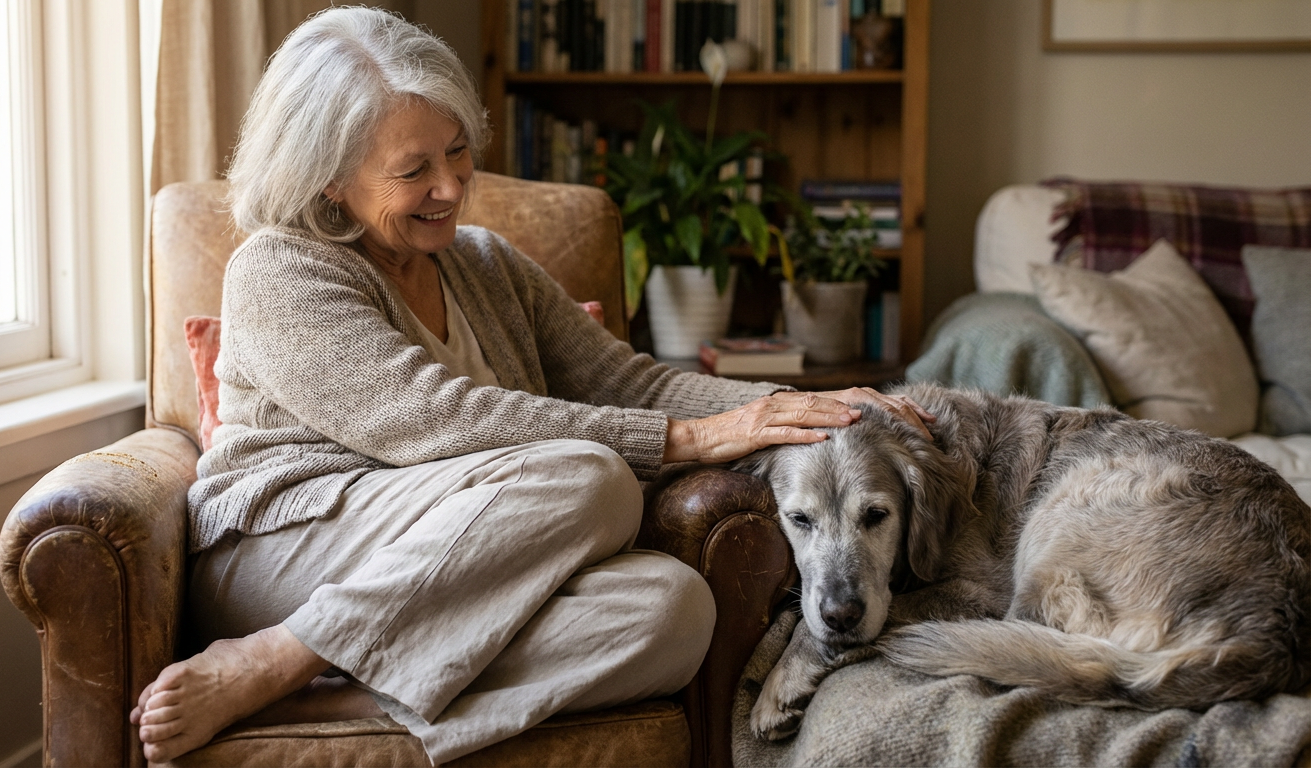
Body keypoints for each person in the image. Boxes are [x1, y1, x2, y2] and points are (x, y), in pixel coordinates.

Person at [129, 6, 932, 765]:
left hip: (461, 570)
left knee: (674, 609)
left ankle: (334, 699)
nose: (449, 185)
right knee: (589, 474)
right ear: (328, 179)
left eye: (456, 150)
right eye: (413, 169)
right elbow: (427, 420)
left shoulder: (482, 263)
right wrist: (687, 441)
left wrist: (805, 408)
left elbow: (630, 382)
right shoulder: (278, 268)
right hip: (291, 549)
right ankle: (280, 657)